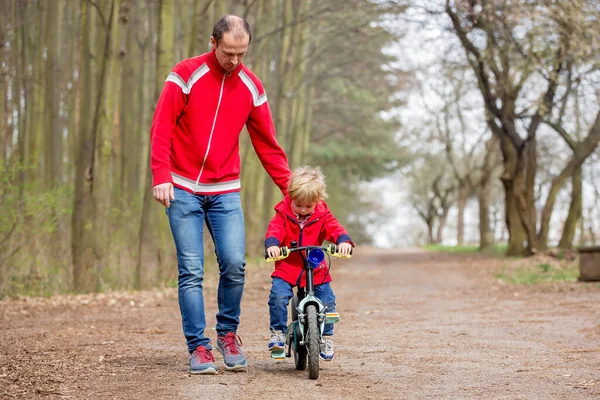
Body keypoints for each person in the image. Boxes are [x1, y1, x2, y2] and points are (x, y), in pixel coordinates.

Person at [150, 15, 291, 375]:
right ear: (213, 43)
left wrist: (294, 190)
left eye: (241, 54)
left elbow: (268, 146)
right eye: (229, 52)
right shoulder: (185, 74)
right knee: (191, 270)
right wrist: (160, 174)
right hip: (181, 187)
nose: (234, 60)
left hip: (225, 189)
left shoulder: (250, 86)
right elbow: (162, 126)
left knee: (234, 265)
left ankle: (227, 335)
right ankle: (198, 347)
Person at [264, 166, 354, 361]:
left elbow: (334, 227)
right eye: (299, 205)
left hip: (315, 266)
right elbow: (275, 230)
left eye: (309, 206)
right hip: (288, 264)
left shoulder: (322, 214)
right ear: (291, 197)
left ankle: (327, 336)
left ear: (318, 201)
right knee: (278, 296)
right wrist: (273, 245)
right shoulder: (283, 213)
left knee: (328, 300)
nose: (304, 210)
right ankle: (277, 333)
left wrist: (343, 241)